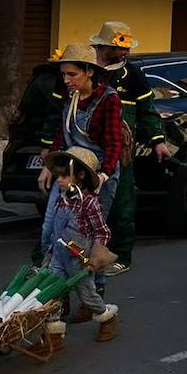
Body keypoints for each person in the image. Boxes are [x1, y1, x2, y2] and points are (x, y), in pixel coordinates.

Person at [88, 21, 169, 276]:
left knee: (121, 204)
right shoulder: (88, 70)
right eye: (118, 48)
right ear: (104, 47)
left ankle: (121, 255)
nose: (124, 53)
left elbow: (147, 111)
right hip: (86, 150)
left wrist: (158, 141)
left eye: (126, 49)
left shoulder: (132, 74)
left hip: (120, 152)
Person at [39, 45, 124, 273]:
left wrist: (104, 174)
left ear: (89, 72)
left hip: (96, 174)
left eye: (72, 74)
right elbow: (62, 134)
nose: (66, 80)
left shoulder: (109, 99)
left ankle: (94, 293)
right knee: (51, 228)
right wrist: (50, 167)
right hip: (69, 169)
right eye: (64, 74)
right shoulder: (70, 97)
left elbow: (115, 142)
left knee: (90, 237)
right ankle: (54, 282)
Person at [45, 146, 120, 341]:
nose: (58, 180)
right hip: (59, 258)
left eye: (63, 176)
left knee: (87, 295)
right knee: (52, 293)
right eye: (57, 176)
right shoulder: (61, 201)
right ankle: (54, 335)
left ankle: (106, 318)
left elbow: (102, 232)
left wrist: (95, 259)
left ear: (79, 176)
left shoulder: (89, 203)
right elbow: (56, 232)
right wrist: (50, 252)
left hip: (79, 261)